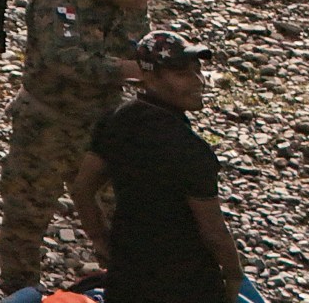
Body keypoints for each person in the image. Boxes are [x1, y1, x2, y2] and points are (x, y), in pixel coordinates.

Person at [0, 0, 180, 293]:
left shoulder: (131, 3)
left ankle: (130, 287)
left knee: (123, 216)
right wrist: (127, 69)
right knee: (26, 219)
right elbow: (61, 57)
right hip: (47, 126)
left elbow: (140, 47)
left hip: (104, 128)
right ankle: (20, 295)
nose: (145, 4)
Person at [72, 31, 246, 303]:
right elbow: (213, 231)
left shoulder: (118, 120)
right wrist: (234, 275)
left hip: (127, 274)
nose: (197, 81)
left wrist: (100, 239)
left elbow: (83, 188)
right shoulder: (188, 148)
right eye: (182, 74)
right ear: (149, 78)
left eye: (197, 71)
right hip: (187, 282)